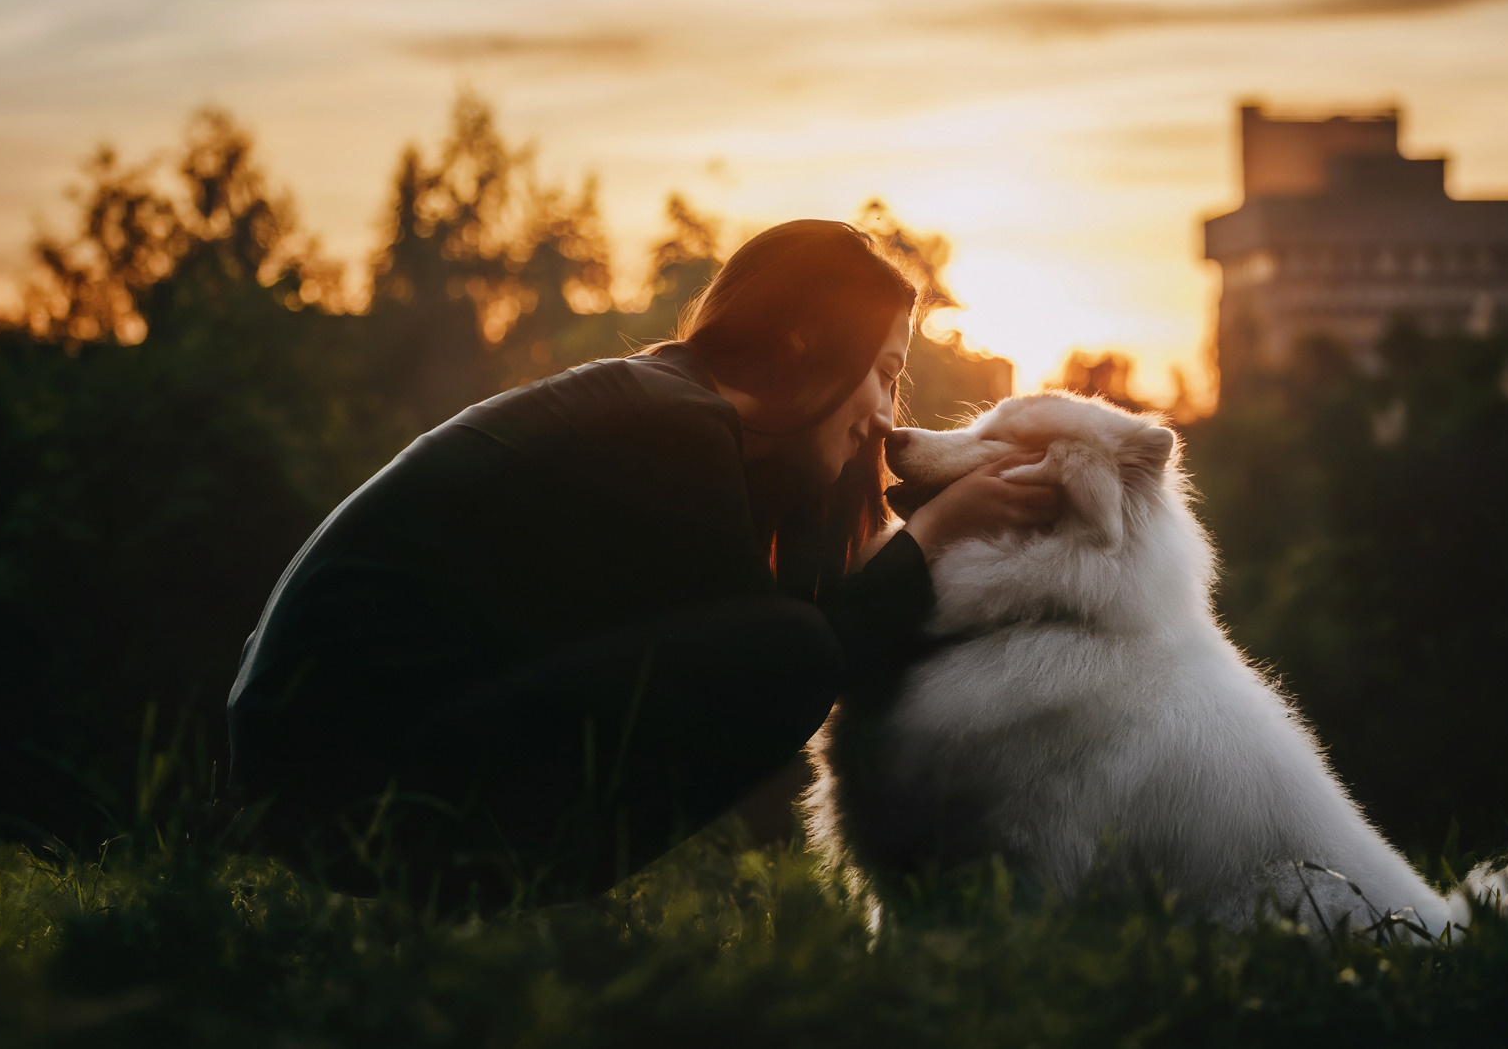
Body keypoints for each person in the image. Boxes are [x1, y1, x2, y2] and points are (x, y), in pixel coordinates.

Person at [226, 219, 1058, 910]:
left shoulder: (669, 407)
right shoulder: (671, 428)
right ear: (805, 340)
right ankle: (507, 897)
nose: (884, 415)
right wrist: (937, 533)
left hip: (333, 765)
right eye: (884, 374)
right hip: (351, 782)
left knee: (788, 646)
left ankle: (516, 900)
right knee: (788, 653)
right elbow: (766, 665)